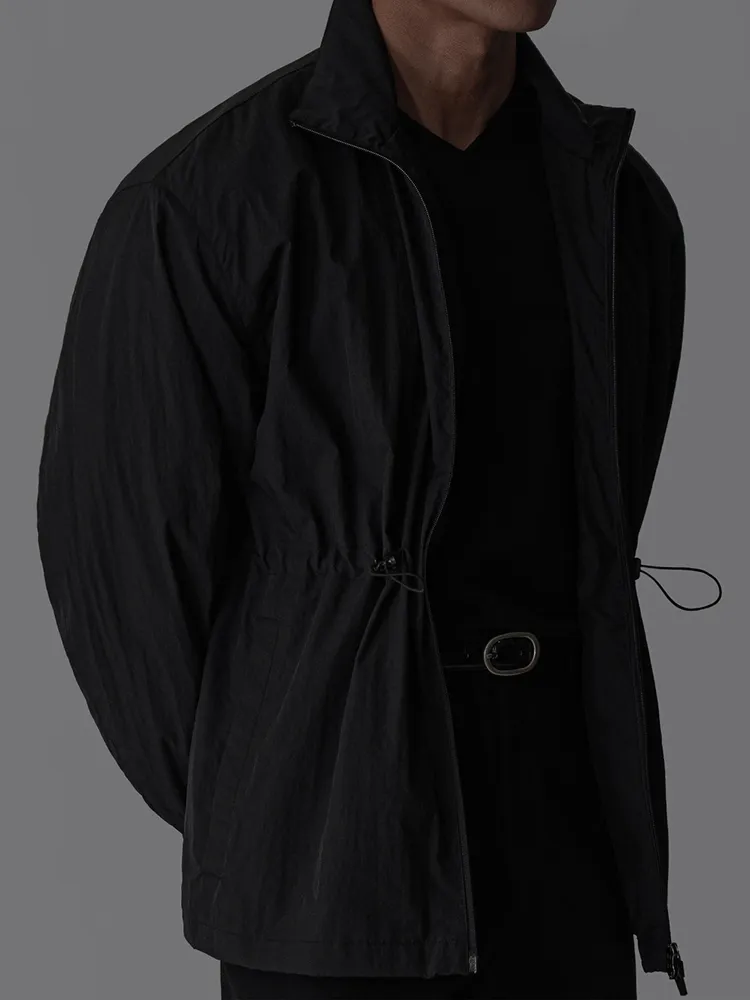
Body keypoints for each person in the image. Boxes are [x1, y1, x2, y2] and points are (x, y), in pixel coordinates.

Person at [37, 0, 720, 996]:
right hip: (335, 874)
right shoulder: (210, 199)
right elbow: (125, 578)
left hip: (569, 842)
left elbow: (601, 527)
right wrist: (291, 794)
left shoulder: (616, 200)